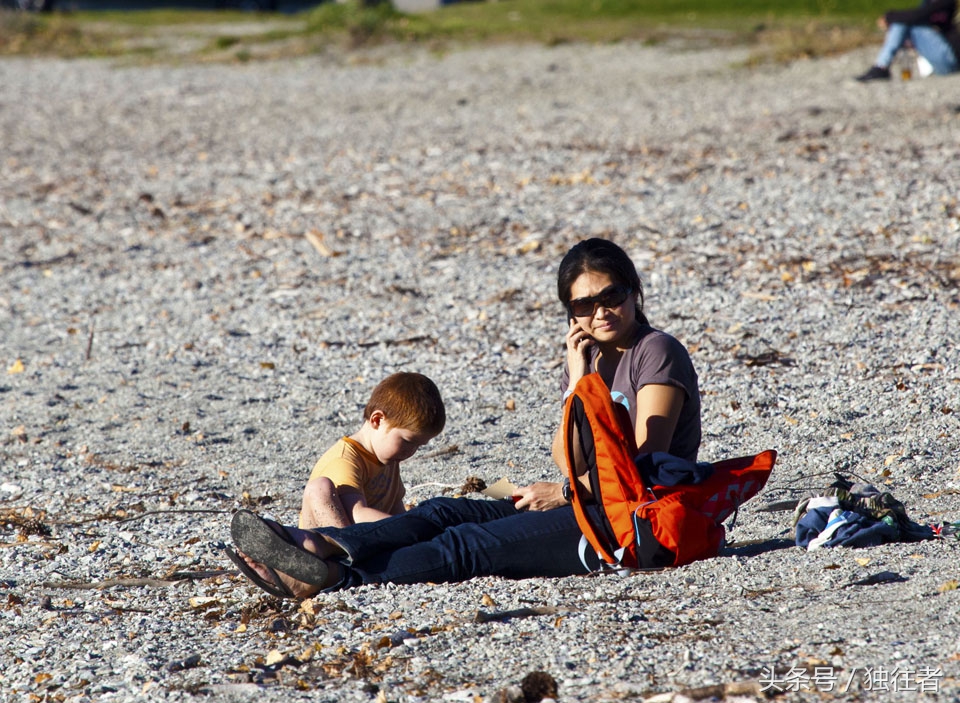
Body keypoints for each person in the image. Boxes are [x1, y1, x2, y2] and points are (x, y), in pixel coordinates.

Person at [228, 238, 702, 598]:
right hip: (587, 500)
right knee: (444, 511)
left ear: (634, 291)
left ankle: (332, 575)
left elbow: (645, 466)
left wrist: (562, 493)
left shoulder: (655, 351)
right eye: (583, 305)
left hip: (632, 522)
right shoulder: (588, 358)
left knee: (468, 544)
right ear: (570, 312)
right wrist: (578, 383)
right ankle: (320, 544)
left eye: (611, 295)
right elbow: (568, 459)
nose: (599, 312)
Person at [297, 372, 446, 530]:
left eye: (418, 446)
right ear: (378, 420)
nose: (411, 451)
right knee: (320, 487)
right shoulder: (344, 460)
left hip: (366, 538)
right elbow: (357, 515)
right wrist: (411, 527)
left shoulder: (389, 460)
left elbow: (396, 510)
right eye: (407, 441)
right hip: (327, 539)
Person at [856, 0, 960, 81]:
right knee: (904, 22)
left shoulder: (946, 2)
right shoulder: (928, 2)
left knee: (904, 21)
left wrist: (889, 16)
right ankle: (881, 66)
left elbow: (919, 14)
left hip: (948, 60)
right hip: (940, 62)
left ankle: (881, 66)